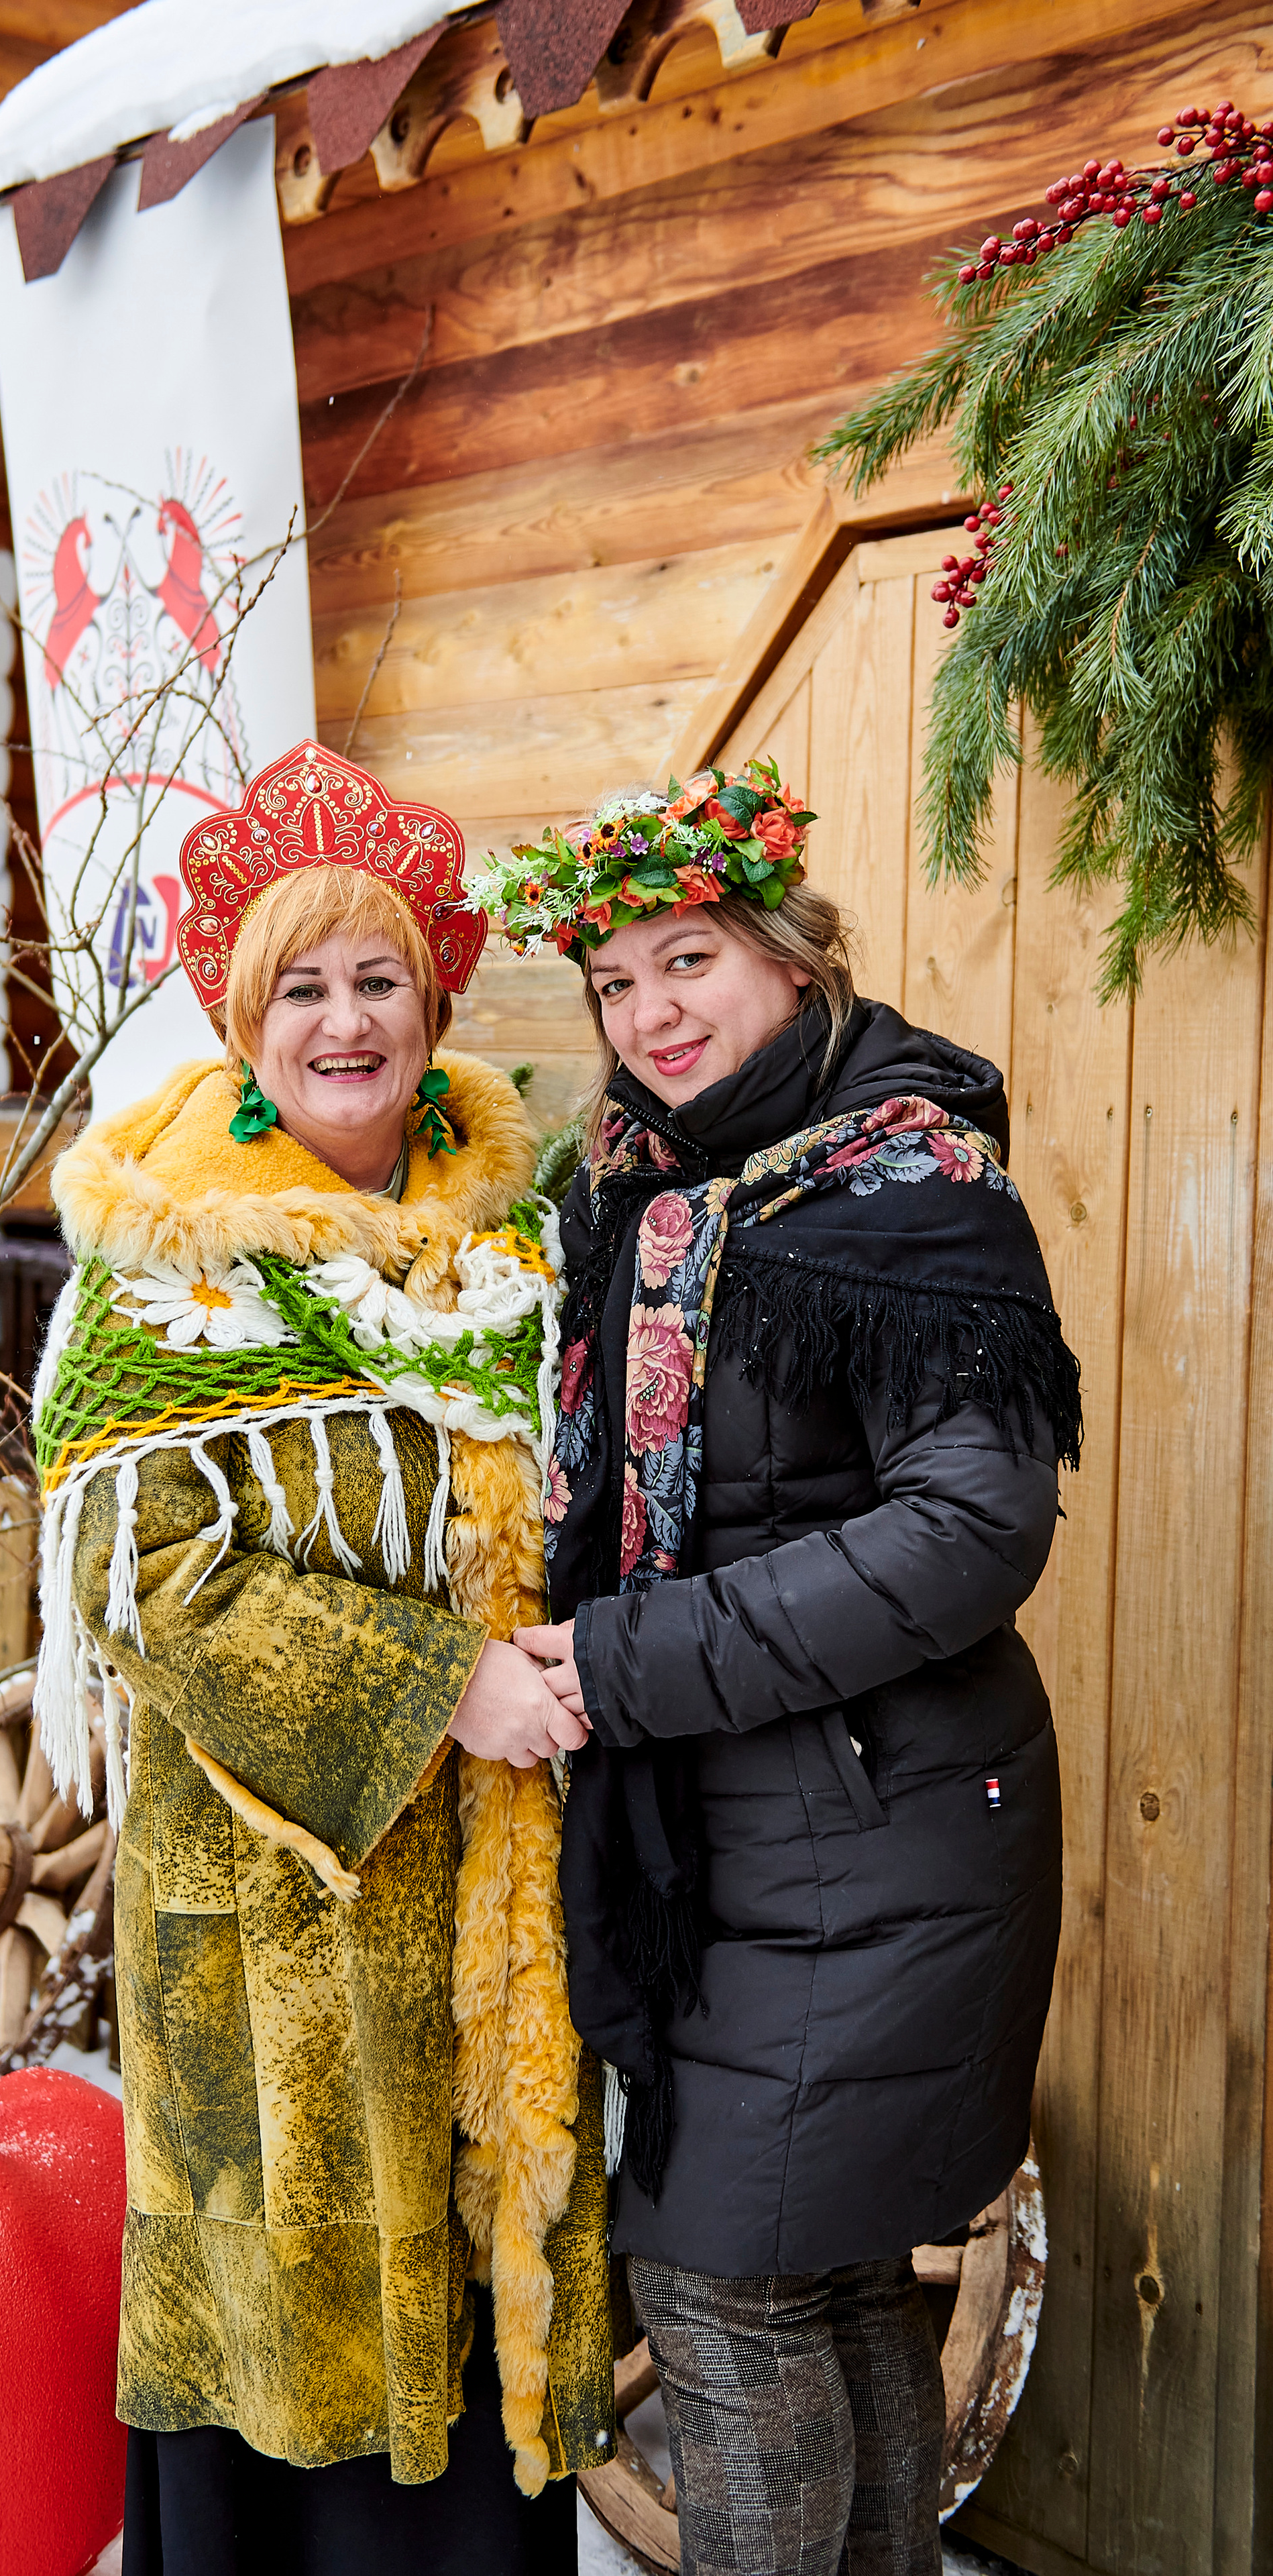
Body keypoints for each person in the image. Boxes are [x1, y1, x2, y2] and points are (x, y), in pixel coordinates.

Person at [476, 763, 1081, 2576]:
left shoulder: (909, 1190)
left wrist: (614, 1661)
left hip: (878, 1837)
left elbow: (973, 1533)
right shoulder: (652, 1191)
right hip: (746, 1840)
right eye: (617, 982)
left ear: (792, 958)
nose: (654, 1013)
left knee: (723, 2292)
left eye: (691, 961)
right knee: (821, 2286)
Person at [30, 741, 614, 2576]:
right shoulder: (164, 1260)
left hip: (499, 1904)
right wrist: (441, 1686)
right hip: (275, 1923)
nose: (347, 1022)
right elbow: (146, 1575)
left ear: (435, 1006)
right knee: (297, 2377)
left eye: (381, 982)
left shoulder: (518, 1236)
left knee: (477, 2323)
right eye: (304, 985)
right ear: (241, 1015)